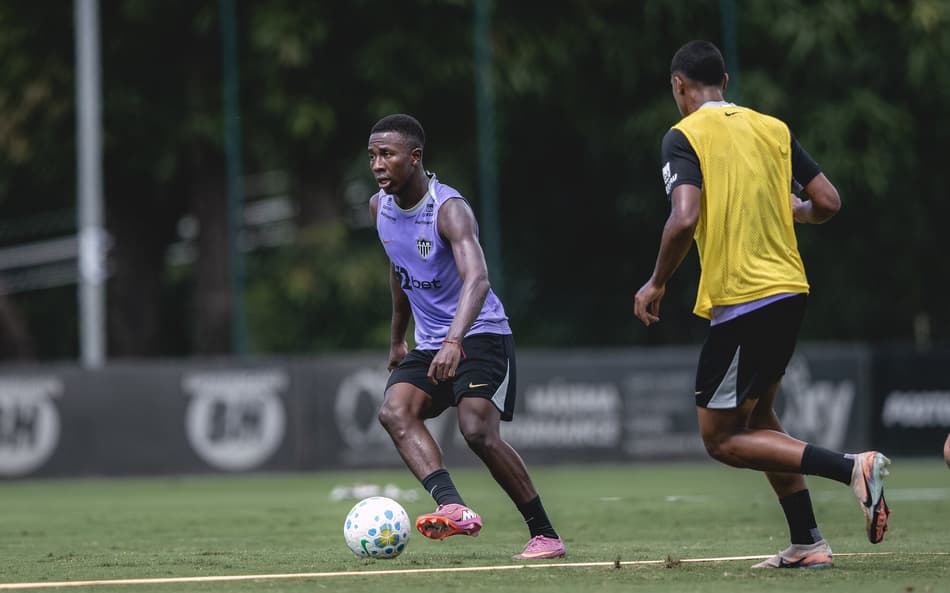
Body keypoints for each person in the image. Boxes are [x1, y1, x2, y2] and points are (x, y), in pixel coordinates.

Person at [634, 41, 891, 569]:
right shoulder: (772, 128)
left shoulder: (683, 136)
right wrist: (794, 211)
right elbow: (828, 202)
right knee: (762, 415)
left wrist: (656, 282)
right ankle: (808, 542)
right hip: (790, 291)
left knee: (722, 440)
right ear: (724, 82)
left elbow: (683, 218)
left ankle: (852, 469)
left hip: (744, 300)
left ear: (678, 87)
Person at [367, 113, 566, 560]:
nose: (378, 164)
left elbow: (477, 279)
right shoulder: (379, 207)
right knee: (394, 412)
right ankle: (452, 507)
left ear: (414, 158)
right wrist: (398, 339)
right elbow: (399, 272)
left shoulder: (449, 209)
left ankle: (546, 535)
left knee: (476, 430)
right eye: (373, 156)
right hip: (431, 341)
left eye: (387, 154)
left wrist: (455, 342)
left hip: (480, 332)